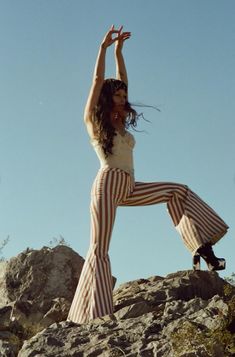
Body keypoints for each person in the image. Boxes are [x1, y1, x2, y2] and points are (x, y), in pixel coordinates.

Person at [67, 26, 228, 324]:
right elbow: (97, 81)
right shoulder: (94, 122)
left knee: (177, 190)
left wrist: (120, 53)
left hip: (129, 185)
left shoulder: (122, 122)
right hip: (106, 185)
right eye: (117, 94)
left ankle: (201, 247)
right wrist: (103, 49)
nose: (123, 97)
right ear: (107, 98)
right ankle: (96, 313)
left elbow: (123, 80)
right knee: (100, 249)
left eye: (124, 94)